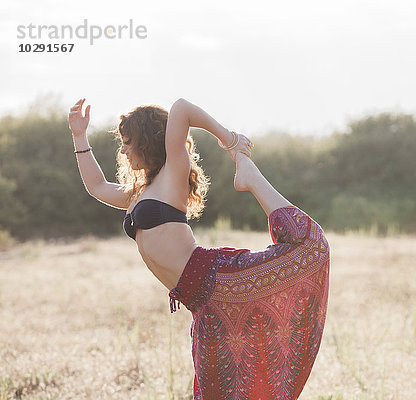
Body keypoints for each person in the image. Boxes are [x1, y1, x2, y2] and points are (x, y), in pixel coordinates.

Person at [68, 98, 330, 399]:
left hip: (219, 278)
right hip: (204, 303)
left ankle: (249, 175)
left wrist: (231, 142)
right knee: (216, 391)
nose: (123, 150)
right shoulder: (138, 193)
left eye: (128, 142)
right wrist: (79, 135)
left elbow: (181, 108)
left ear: (147, 141)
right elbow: (97, 186)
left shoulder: (172, 174)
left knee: (311, 246)